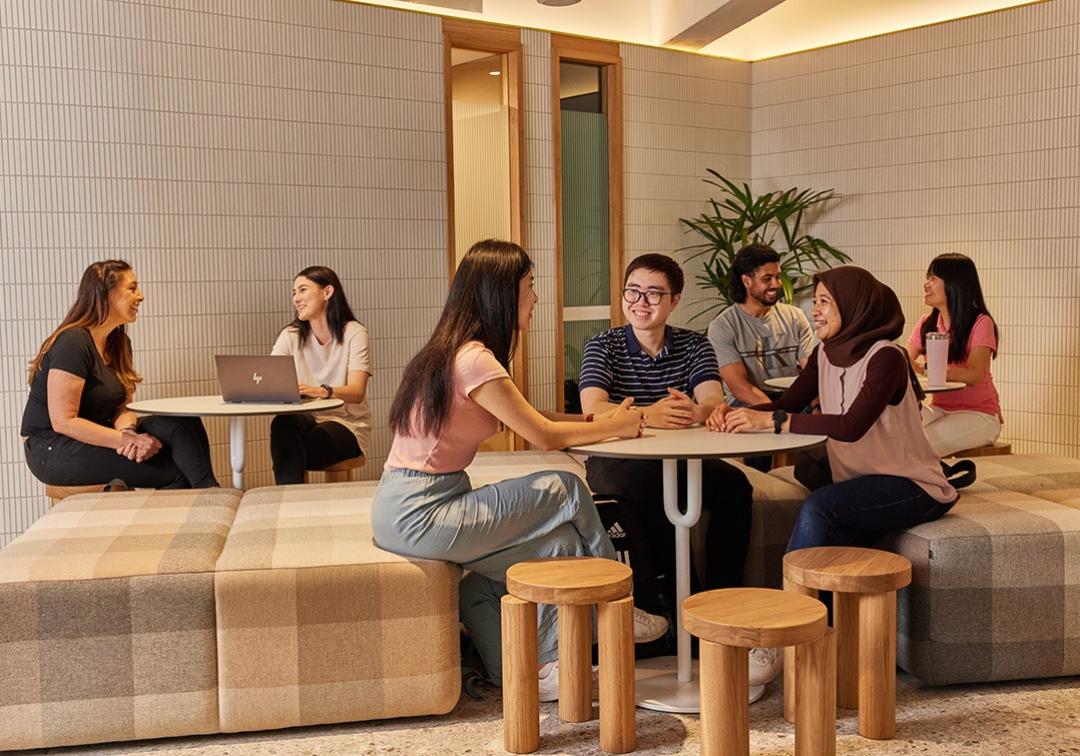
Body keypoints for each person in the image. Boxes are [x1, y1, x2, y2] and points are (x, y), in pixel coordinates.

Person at [370, 239, 666, 699]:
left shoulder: (456, 352)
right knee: (563, 485)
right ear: (503, 292)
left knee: (559, 544)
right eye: (530, 286)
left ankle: (525, 674)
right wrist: (617, 426)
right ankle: (619, 603)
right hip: (421, 511)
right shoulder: (474, 360)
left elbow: (533, 416)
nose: (535, 297)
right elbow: (544, 436)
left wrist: (604, 422)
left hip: (415, 505)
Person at [578, 254, 778, 693]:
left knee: (733, 486)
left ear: (674, 301)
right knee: (649, 491)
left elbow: (711, 399)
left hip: (683, 454)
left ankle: (722, 607)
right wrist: (653, 414)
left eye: (653, 293)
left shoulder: (694, 345)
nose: (641, 302)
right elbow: (593, 409)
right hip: (617, 460)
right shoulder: (603, 345)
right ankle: (671, 611)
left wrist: (695, 410)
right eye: (633, 291)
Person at [722, 266, 958, 553]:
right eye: (815, 302)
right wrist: (724, 414)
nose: (814, 311)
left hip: (912, 486)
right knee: (828, 542)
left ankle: (793, 599)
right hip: (859, 481)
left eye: (824, 301)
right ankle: (807, 595)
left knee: (820, 506)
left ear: (852, 303)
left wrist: (775, 421)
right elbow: (786, 404)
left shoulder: (886, 357)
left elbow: (851, 426)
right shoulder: (825, 353)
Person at [22, 260, 219, 489]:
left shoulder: (119, 342)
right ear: (106, 294)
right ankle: (210, 500)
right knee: (176, 470)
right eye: (132, 288)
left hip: (100, 434)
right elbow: (64, 421)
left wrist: (127, 432)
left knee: (182, 423)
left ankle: (210, 493)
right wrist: (125, 440)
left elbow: (123, 407)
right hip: (52, 447)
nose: (141, 296)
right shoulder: (73, 343)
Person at [708, 243, 815, 471]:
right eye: (767, 278)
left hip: (794, 401)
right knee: (751, 425)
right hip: (751, 404)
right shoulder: (723, 326)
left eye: (778, 277)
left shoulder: (795, 317)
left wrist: (803, 406)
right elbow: (738, 387)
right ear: (746, 281)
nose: (776, 284)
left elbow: (811, 371)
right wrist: (775, 414)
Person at [270, 266, 373, 484]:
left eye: (303, 290)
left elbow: (357, 392)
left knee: (292, 447)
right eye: (294, 293)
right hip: (305, 419)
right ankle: (291, 501)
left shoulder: (354, 333)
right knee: (282, 424)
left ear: (327, 292)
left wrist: (321, 391)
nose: (296, 298)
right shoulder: (290, 335)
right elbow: (271, 380)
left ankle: (288, 501)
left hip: (346, 423)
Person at [906, 253, 1002, 457]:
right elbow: (905, 359)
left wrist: (924, 369)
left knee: (921, 445)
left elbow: (973, 374)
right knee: (897, 431)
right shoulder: (926, 323)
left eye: (933, 279)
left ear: (954, 284)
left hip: (979, 414)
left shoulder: (980, 322)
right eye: (927, 278)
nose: (926, 285)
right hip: (940, 408)